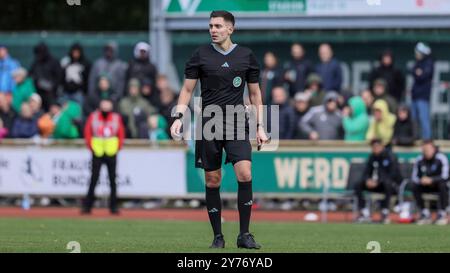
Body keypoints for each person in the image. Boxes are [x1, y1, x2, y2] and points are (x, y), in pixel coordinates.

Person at [170, 10, 269, 249]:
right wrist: (178, 117)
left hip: (236, 122)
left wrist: (260, 126)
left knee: (245, 174)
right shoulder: (200, 55)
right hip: (208, 123)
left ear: (230, 29)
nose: (213, 30)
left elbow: (255, 94)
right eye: (211, 26)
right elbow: (187, 90)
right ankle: (218, 236)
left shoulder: (246, 56)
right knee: (213, 180)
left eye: (218, 26)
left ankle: (244, 235)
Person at [82, 98, 125, 215]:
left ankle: (113, 207)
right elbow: (87, 132)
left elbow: (121, 133)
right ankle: (87, 206)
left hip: (111, 152)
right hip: (97, 152)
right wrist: (91, 147)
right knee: (94, 179)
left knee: (112, 180)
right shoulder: (94, 116)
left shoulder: (116, 118)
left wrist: (118, 147)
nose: (105, 107)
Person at [354, 139, 402, 224]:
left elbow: (393, 175)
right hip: (375, 185)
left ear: (382, 146)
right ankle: (363, 210)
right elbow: (366, 172)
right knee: (358, 184)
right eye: (373, 147)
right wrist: (367, 180)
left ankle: (385, 211)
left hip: (388, 186)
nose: (375, 149)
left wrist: (378, 181)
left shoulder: (390, 156)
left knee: (388, 184)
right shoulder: (372, 157)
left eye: (377, 146)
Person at [411, 140, 449, 225]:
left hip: (438, 185)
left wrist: (432, 180)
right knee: (415, 186)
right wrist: (421, 180)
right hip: (425, 185)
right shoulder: (419, 159)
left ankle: (442, 213)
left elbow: (445, 176)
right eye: (424, 150)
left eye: (428, 149)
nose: (426, 152)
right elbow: (414, 177)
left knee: (443, 185)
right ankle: (424, 212)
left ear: (434, 149)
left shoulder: (441, 158)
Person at [29, 42, 62, 112]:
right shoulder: (36, 62)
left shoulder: (54, 62)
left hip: (51, 93)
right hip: (38, 92)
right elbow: (30, 74)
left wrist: (50, 85)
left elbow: (59, 77)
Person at [411, 42, 434, 140]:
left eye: (418, 53)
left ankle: (427, 139)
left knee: (424, 119)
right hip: (415, 95)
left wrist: (419, 73)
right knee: (413, 118)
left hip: (423, 96)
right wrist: (418, 73)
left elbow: (423, 76)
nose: (417, 55)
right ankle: (414, 137)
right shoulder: (417, 63)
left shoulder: (429, 63)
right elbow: (414, 72)